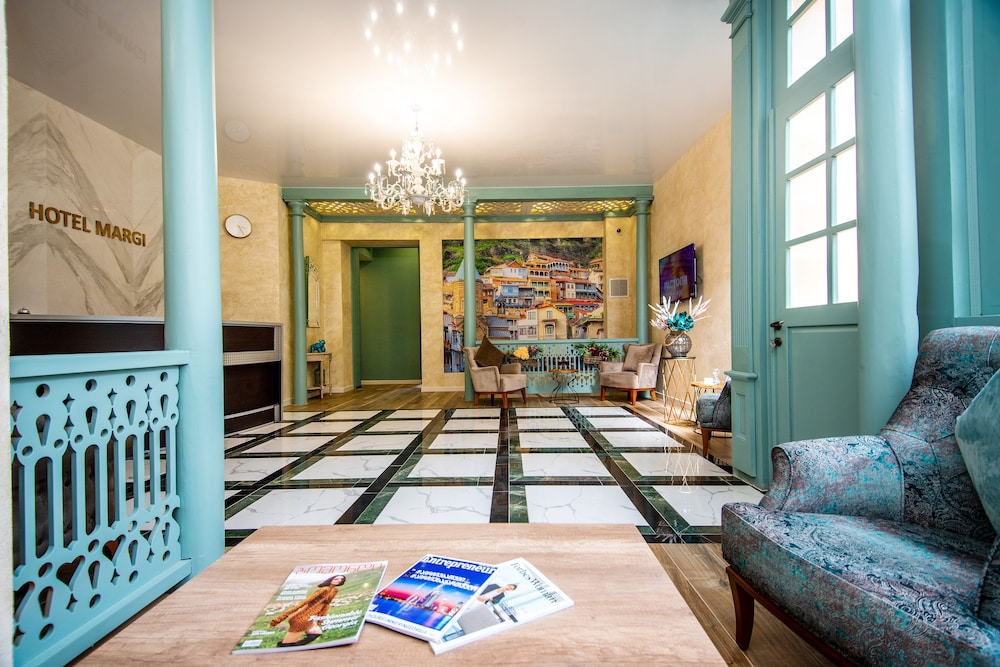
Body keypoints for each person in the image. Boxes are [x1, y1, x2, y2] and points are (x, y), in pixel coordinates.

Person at [269, 573, 346, 647]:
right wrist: (282, 617)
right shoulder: (324, 590)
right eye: (336, 579)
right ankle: (288, 647)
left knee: (316, 633)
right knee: (286, 644)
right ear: (331, 580)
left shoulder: (334, 590)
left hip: (310, 618)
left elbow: (326, 604)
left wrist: (321, 618)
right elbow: (305, 602)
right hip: (302, 619)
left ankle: (296, 646)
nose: (339, 580)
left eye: (341, 579)